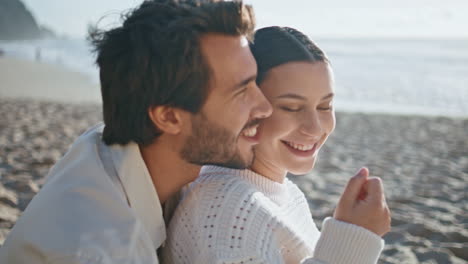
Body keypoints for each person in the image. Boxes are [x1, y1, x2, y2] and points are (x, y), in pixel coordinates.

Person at [0, 1, 272, 263]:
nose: (265, 107)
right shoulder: (104, 251)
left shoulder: (101, 147)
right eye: (241, 91)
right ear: (168, 117)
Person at [162, 26, 391, 264]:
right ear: (247, 107)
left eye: (325, 107)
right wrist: (354, 237)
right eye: (291, 107)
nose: (314, 128)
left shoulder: (284, 193)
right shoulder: (227, 207)